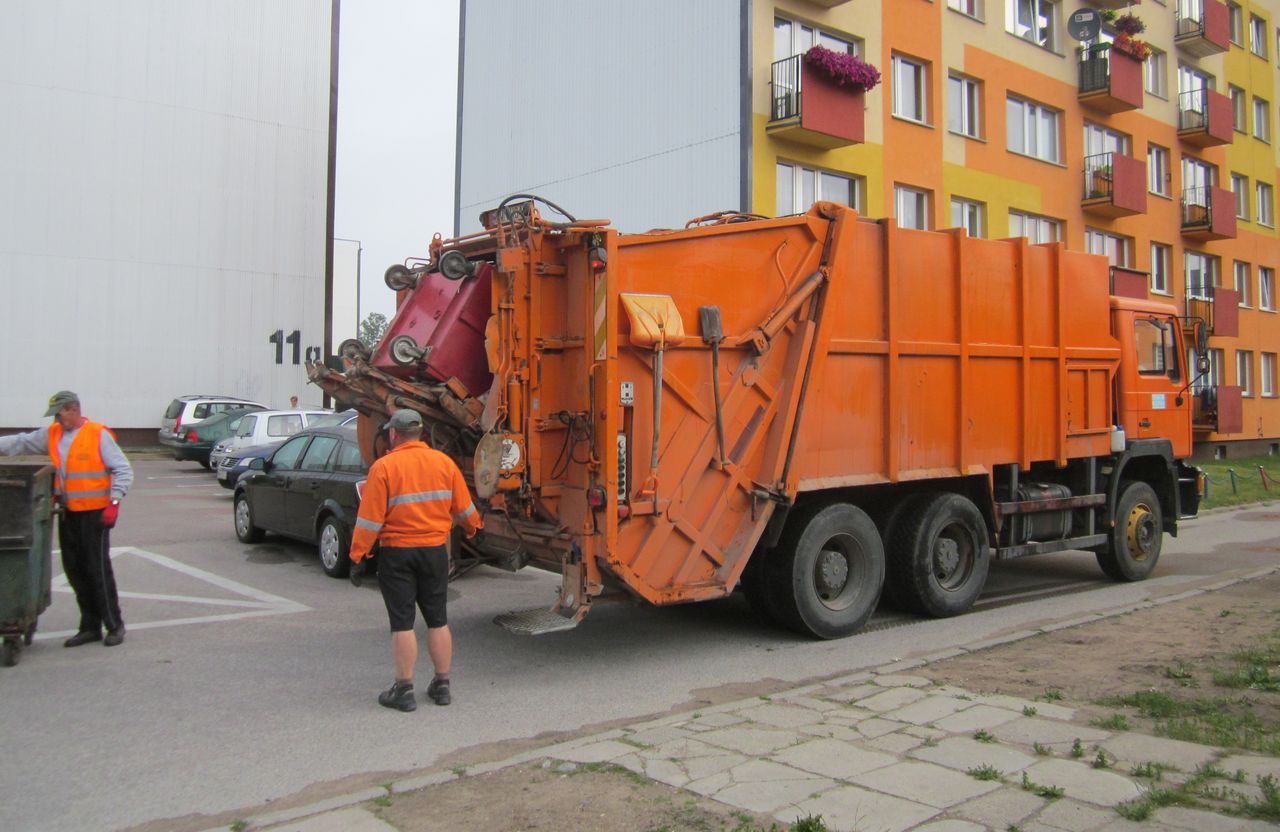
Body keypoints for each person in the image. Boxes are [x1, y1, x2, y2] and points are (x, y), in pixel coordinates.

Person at [349, 408, 482, 711]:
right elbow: (465, 510)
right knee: (438, 620)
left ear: (393, 434)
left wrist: (358, 555)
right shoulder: (444, 464)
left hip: (398, 553)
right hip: (434, 552)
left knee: (402, 623)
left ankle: (404, 689)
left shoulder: (384, 468)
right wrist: (474, 528)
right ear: (420, 432)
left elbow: (369, 520)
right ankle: (443, 684)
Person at [0, 391, 133, 647]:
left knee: (97, 570)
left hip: (96, 513)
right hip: (69, 512)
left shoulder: (97, 434)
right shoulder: (54, 434)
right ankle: (90, 626)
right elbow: (20, 443)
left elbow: (123, 468)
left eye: (60, 415)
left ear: (74, 409)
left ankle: (114, 625)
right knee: (75, 570)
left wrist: (115, 501)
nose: (57, 421)